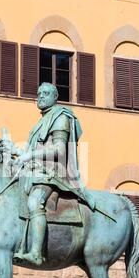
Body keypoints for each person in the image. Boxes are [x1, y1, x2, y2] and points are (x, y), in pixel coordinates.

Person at [12, 82, 95, 265]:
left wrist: (31, 155)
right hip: (36, 171)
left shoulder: (60, 117)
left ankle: (35, 252)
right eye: (39, 93)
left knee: (35, 202)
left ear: (55, 97)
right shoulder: (42, 120)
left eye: (46, 93)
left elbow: (59, 150)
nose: (40, 96)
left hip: (52, 174)